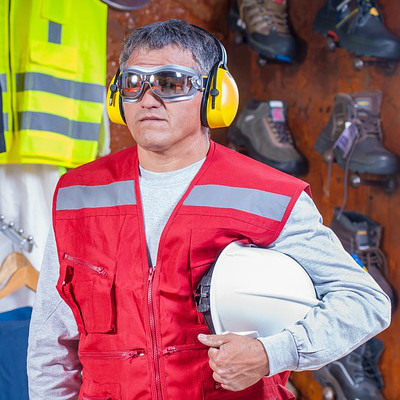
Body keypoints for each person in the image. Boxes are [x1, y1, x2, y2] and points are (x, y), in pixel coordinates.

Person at [27, 20, 391, 400]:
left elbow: (365, 301)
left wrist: (272, 353)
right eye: (133, 83)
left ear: (214, 96)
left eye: (171, 83)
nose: (148, 99)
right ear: (117, 97)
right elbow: (51, 344)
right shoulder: (79, 195)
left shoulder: (268, 195)